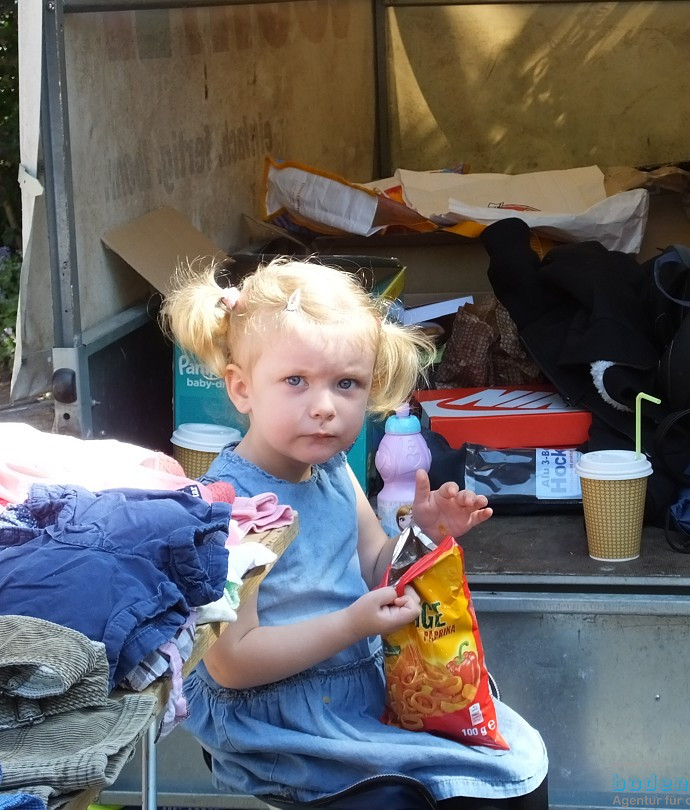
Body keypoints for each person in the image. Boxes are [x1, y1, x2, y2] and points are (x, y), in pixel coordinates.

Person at [161, 258, 548, 808]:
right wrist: (352, 623)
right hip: (281, 722)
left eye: (347, 384)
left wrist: (424, 534)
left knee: (519, 764)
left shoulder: (334, 470)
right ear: (242, 389)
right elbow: (233, 663)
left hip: (353, 687)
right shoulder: (231, 508)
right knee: (409, 798)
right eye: (296, 381)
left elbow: (374, 565)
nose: (324, 407)